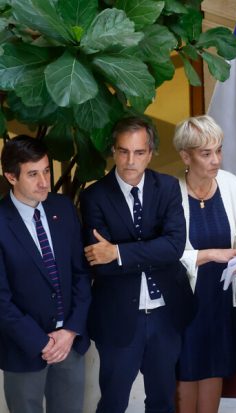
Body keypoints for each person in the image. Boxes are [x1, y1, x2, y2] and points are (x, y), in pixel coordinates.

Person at [80, 117, 195, 413]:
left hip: (165, 314)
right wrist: (147, 252)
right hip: (118, 316)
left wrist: (118, 251)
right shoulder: (94, 196)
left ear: (151, 152)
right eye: (123, 151)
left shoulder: (168, 187)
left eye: (139, 152)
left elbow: (173, 247)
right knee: (113, 402)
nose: (131, 161)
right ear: (114, 152)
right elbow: (99, 262)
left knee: (162, 401)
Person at [173, 115, 236, 413]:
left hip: (223, 296)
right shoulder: (171, 192)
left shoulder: (231, 185)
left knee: (215, 366)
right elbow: (166, 251)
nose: (216, 160)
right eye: (206, 154)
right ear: (186, 156)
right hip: (185, 300)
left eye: (218, 150)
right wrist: (209, 255)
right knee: (186, 369)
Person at [0, 136, 91, 413]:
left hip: (70, 343)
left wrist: (70, 330)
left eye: (46, 171)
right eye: (33, 174)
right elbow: (1, 301)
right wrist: (43, 342)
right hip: (25, 348)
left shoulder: (62, 208)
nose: (44, 182)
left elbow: (81, 274)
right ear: (10, 176)